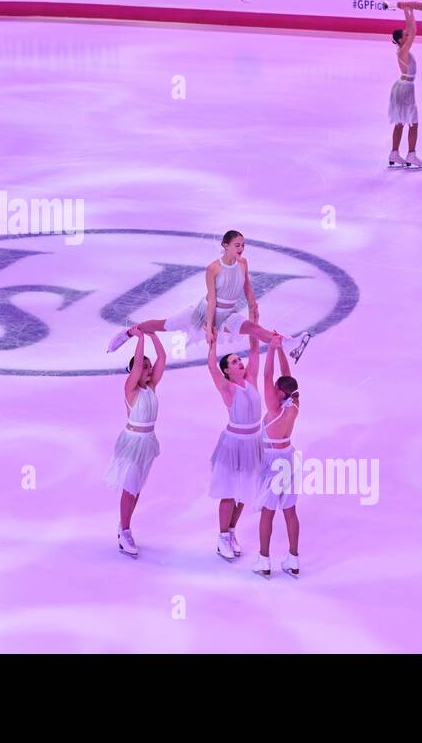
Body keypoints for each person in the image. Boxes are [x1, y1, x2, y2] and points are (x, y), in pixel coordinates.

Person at [105, 230, 313, 360]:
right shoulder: (213, 268)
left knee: (254, 328)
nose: (241, 249)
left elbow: (246, 285)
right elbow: (212, 299)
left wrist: (252, 306)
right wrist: (209, 327)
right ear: (225, 245)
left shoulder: (243, 263)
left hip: (229, 312)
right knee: (165, 325)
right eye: (237, 245)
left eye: (242, 245)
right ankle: (130, 332)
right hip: (202, 313)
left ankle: (287, 343)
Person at [106, 331, 167, 557]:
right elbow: (139, 366)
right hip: (132, 442)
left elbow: (162, 358)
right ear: (135, 371)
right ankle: (125, 530)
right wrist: (139, 339)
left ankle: (124, 525)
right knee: (129, 488)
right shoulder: (130, 389)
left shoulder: (151, 387)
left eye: (149, 366)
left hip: (148, 442)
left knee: (137, 488)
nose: (149, 369)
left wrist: (152, 335)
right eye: (144, 366)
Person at [207, 333, 264, 561]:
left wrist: (253, 323)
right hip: (234, 445)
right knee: (230, 493)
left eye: (238, 360)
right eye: (233, 362)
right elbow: (211, 367)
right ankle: (222, 537)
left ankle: (231, 532)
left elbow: (254, 350)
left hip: (253, 443)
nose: (239, 363)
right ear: (227, 372)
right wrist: (212, 343)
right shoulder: (228, 389)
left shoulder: (252, 379)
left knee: (243, 494)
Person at [254, 335, 301, 578]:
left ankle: (264, 561)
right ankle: (293, 559)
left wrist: (271, 349)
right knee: (290, 510)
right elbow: (286, 376)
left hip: (272, 460)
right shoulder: (295, 403)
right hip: (290, 458)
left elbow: (266, 377)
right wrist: (282, 348)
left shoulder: (274, 407)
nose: (271, 389)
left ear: (280, 392)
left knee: (268, 511)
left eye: (276, 389)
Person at [387, 5, 422, 169]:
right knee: (413, 123)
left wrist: (408, 10)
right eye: (404, 35)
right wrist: (409, 10)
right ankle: (411, 155)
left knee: (400, 123)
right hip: (405, 89)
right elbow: (414, 32)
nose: (407, 35)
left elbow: (411, 29)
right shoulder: (403, 50)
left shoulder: (402, 48)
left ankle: (394, 153)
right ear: (400, 40)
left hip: (402, 87)